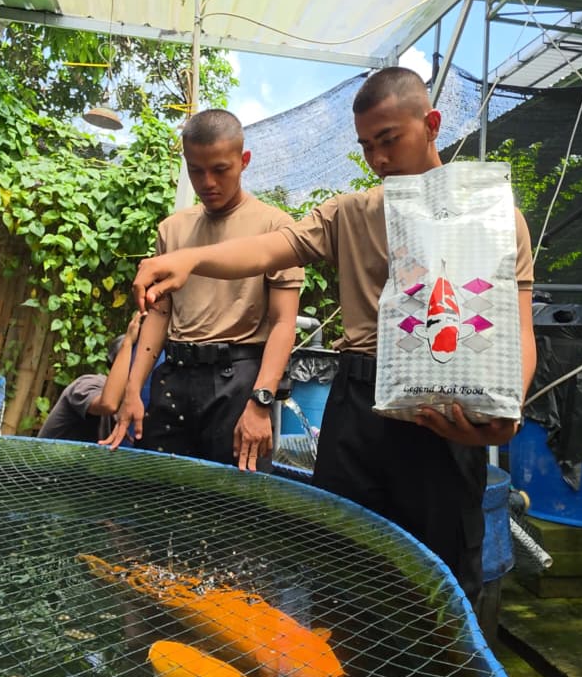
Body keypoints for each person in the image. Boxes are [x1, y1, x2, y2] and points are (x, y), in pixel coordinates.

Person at [130, 68, 537, 598]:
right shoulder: (351, 213)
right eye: (368, 146)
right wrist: (191, 259)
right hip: (358, 406)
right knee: (341, 567)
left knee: (439, 581)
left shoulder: (492, 218)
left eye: (389, 140)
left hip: (446, 413)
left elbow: (517, 330)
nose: (379, 160)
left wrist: (509, 412)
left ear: (431, 124)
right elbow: (270, 248)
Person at [100, 109, 303, 473]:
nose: (207, 181)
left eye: (220, 169)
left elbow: (283, 323)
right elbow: (159, 314)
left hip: (239, 381)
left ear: (244, 161)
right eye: (196, 170)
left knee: (237, 506)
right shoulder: (173, 229)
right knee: (164, 496)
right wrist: (133, 389)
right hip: (175, 376)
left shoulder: (276, 228)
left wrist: (261, 402)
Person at [40, 313, 143, 442]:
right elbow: (108, 404)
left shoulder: (135, 405)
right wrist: (128, 342)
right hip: (49, 460)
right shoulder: (88, 384)